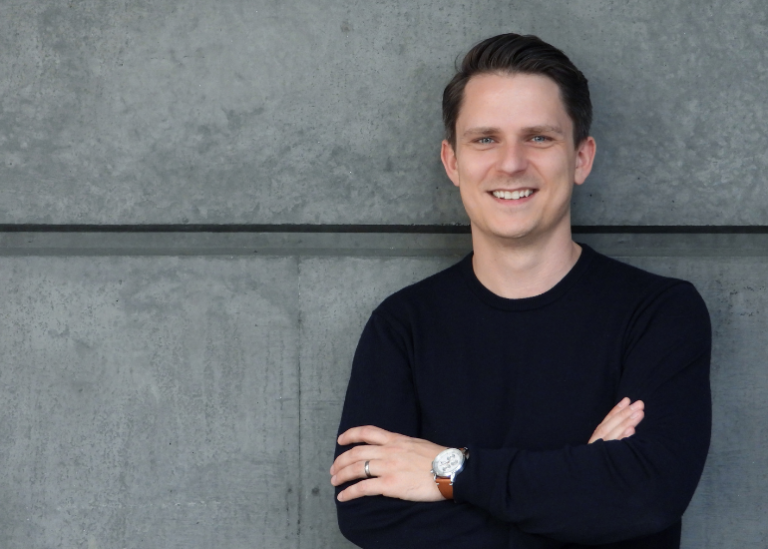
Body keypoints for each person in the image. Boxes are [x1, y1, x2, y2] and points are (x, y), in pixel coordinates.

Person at [329, 33, 711, 548]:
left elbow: (645, 498)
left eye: (539, 137)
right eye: (485, 139)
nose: (510, 163)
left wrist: (450, 472)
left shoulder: (659, 314)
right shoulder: (403, 325)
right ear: (452, 162)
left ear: (581, 158)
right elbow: (369, 516)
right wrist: (581, 487)